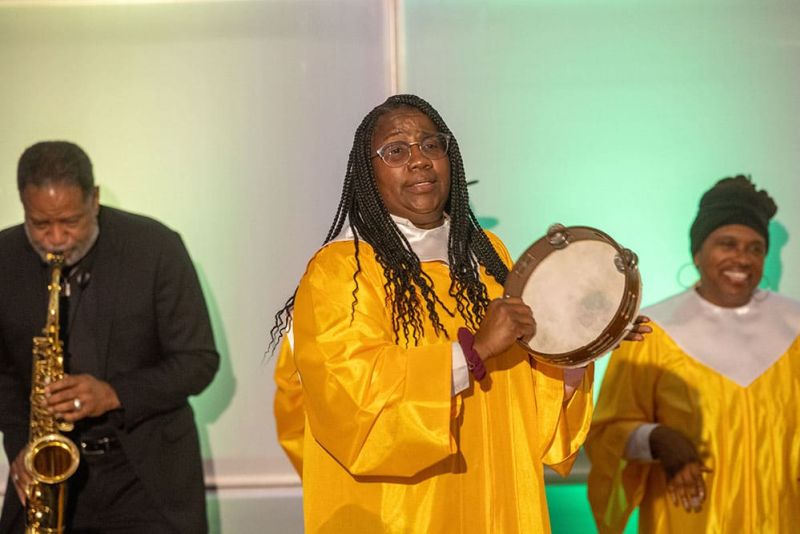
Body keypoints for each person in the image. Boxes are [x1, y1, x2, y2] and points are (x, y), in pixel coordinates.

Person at [271, 94, 649, 533]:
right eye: (396, 150)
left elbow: (524, 408)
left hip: (499, 503)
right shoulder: (343, 270)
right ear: (367, 173)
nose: (419, 160)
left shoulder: (486, 257)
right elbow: (352, 403)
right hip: (405, 514)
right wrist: (474, 351)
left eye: (432, 145)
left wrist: (580, 342)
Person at [0, 141, 219, 533]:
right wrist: (23, 449)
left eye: (70, 221)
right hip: (50, 477)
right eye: (40, 224)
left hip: (146, 481)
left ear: (95, 199)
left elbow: (198, 361)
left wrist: (113, 394)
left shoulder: (155, 247)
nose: (55, 239)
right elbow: (3, 376)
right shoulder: (4, 258)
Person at [585, 175, 800, 533]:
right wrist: (656, 438)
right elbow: (608, 433)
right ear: (698, 252)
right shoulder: (653, 330)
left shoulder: (794, 328)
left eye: (755, 248)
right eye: (727, 244)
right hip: (689, 518)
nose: (742, 258)